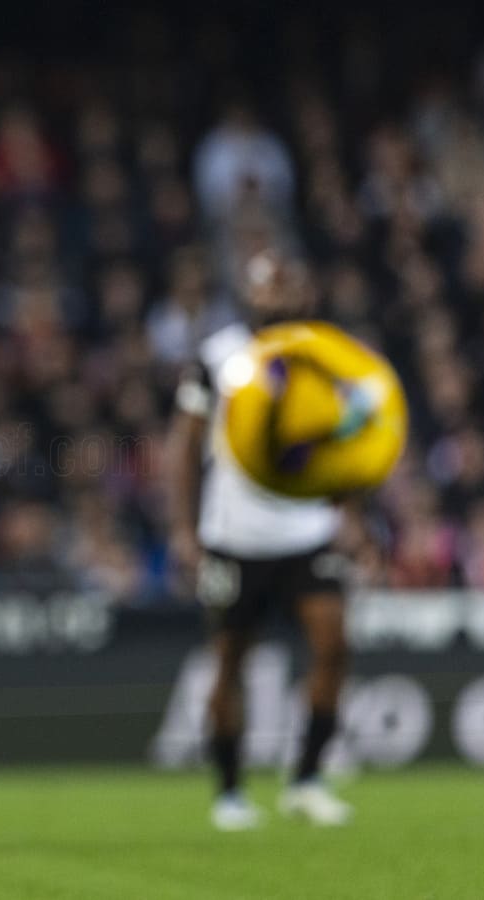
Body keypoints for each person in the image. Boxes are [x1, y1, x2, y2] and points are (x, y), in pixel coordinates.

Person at [166, 248, 354, 830]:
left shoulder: (323, 356)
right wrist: (183, 528)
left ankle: (306, 779)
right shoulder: (217, 356)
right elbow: (185, 448)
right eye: (266, 287)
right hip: (235, 537)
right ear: (248, 291)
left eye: (284, 286)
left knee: (333, 646)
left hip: (308, 529)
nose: (276, 297)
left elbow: (346, 441)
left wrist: (352, 511)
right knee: (229, 660)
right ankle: (229, 790)